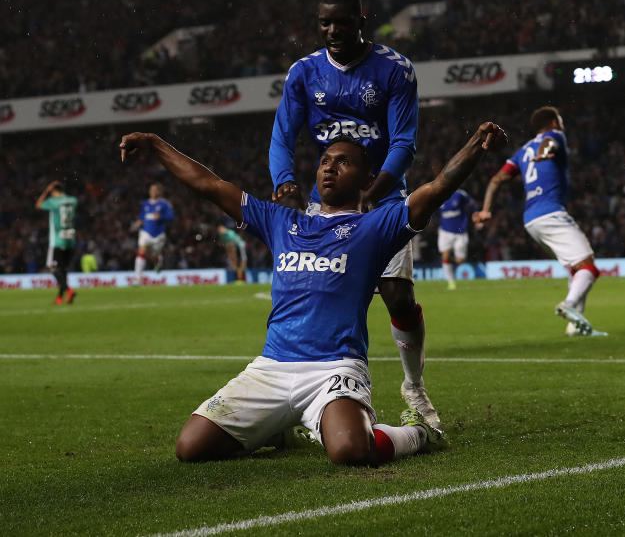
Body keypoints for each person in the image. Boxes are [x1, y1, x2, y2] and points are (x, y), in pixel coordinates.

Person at [118, 121, 507, 464]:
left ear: (367, 180)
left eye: (343, 162)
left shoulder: (375, 227)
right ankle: (274, 429)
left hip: (334, 368)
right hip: (271, 367)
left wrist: (476, 144)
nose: (329, 167)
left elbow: (436, 189)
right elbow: (210, 185)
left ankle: (420, 433)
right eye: (325, 161)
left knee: (352, 451)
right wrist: (156, 145)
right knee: (190, 447)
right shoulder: (280, 221)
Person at [268, 0, 440, 427]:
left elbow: (405, 141)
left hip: (381, 199)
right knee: (313, 298)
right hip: (325, 206)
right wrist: (284, 182)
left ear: (362, 20)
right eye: (324, 22)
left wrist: (375, 188)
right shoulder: (304, 73)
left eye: (341, 21)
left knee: (398, 296)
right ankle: (302, 399)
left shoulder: (394, 70)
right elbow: (282, 137)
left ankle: (413, 387)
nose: (332, 30)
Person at [473, 106, 605, 337]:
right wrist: (544, 153)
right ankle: (570, 306)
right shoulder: (556, 136)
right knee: (588, 266)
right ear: (554, 121)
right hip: (550, 213)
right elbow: (548, 143)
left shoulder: (521, 152)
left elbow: (497, 179)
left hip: (531, 219)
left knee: (575, 268)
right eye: (560, 120)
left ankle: (576, 327)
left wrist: (486, 210)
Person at [35, 181, 78, 305]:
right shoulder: (73, 200)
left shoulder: (53, 202)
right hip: (70, 239)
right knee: (63, 269)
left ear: (54, 191)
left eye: (51, 193)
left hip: (57, 240)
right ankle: (60, 297)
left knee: (53, 268)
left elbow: (38, 205)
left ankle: (69, 290)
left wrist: (46, 191)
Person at [133, 183, 174, 283]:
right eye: (151, 190)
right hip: (145, 232)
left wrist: (161, 217)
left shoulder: (165, 204)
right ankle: (137, 279)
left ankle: (158, 261)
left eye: (155, 190)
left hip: (159, 234)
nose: (152, 192)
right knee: (141, 251)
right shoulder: (145, 204)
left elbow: (171, 218)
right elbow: (142, 216)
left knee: (155, 255)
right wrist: (139, 221)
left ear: (159, 192)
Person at [437, 188, 477, 289]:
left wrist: (476, 215)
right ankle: (451, 282)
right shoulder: (439, 195)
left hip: (460, 232)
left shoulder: (460, 194)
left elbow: (472, 204)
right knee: (445, 255)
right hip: (445, 231)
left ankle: (451, 266)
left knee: (460, 260)